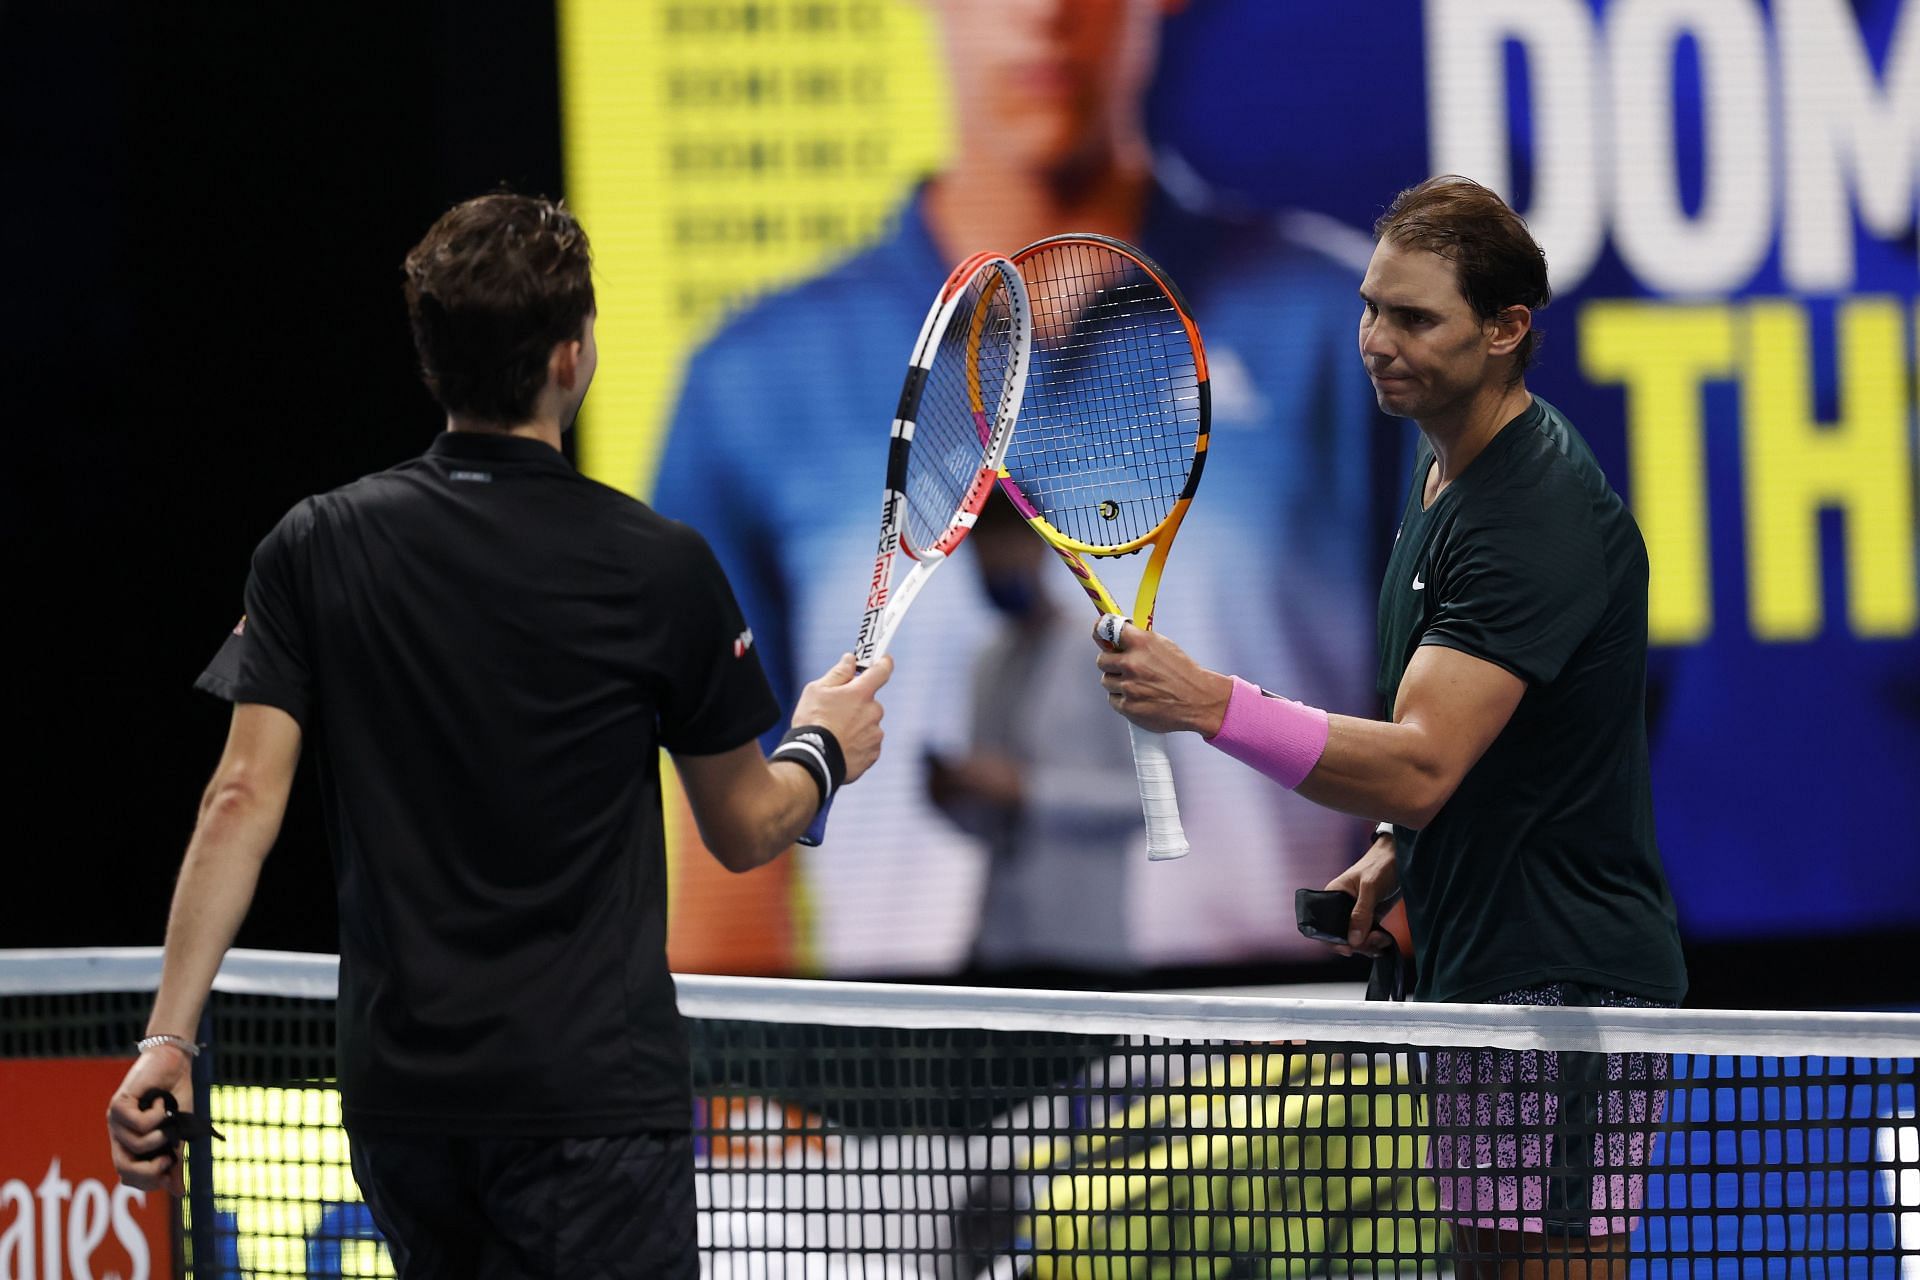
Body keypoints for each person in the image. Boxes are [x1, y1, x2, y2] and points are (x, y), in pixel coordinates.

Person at [104, 193, 891, 1278]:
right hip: (593, 1110)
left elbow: (239, 800)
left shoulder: (315, 545)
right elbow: (749, 827)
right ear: (572, 357)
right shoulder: (659, 566)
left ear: (432, 360)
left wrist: (167, 1040)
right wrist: (823, 745)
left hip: (405, 1114)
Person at [655, 0, 1390, 974]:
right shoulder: (751, 380)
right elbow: (727, 873)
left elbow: (1459, 777)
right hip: (923, 1106)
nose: (1046, 15)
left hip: (1279, 1105)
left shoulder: (1352, 340)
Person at [1094, 175, 1687, 1278]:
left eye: (1415, 317)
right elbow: (1469, 759)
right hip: (1479, 976)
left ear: (1508, 330)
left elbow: (1418, 764)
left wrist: (1209, 702)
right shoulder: (1444, 471)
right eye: (1371, 307)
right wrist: (1398, 852)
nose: (1376, 340)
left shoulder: (1530, 515)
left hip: (1563, 997)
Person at [924, 491, 1141, 973]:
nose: (995, 570)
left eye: (1005, 551)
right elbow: (993, 825)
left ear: (1042, 548)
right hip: (998, 945)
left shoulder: (1103, 654)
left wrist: (1028, 788)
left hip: (1085, 950)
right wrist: (955, 797)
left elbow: (1153, 803)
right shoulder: (987, 661)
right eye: (983, 559)